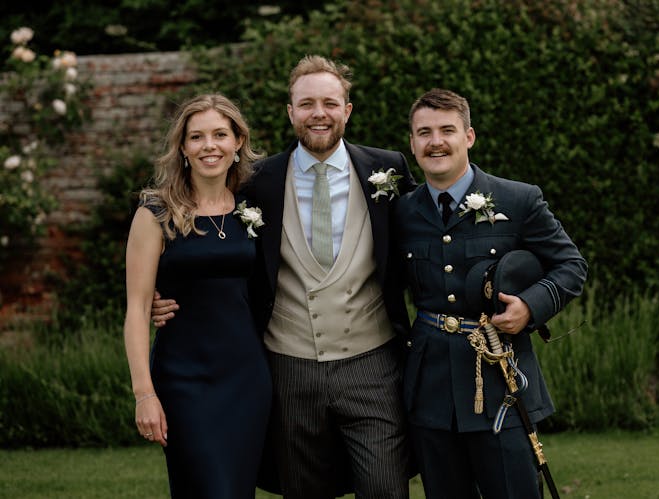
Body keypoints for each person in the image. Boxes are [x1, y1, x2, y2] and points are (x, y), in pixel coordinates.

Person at [152, 55, 417, 499]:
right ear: (290, 111)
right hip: (286, 366)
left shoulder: (386, 170)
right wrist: (170, 296)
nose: (319, 113)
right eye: (306, 103)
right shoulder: (256, 181)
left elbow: (426, 239)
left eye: (330, 103)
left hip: (372, 362)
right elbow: (213, 247)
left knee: (386, 488)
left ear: (347, 110)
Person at [395, 88, 588, 499]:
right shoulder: (401, 212)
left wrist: (530, 308)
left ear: (469, 136)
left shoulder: (519, 199)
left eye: (447, 130)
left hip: (502, 381)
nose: (436, 142)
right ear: (412, 143)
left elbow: (572, 266)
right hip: (430, 388)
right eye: (424, 132)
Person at [123, 93, 272, 498]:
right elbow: (137, 309)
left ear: (238, 141)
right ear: (183, 147)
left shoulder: (252, 208)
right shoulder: (155, 213)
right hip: (185, 379)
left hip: (247, 379)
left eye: (220, 134)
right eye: (197, 137)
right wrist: (144, 394)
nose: (210, 146)